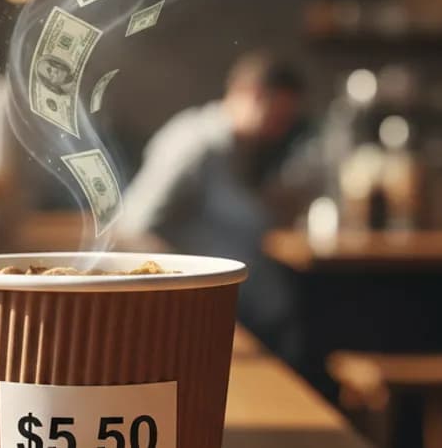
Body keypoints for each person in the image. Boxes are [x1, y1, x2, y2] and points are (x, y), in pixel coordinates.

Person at [118, 52, 316, 360]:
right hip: (207, 319)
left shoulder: (241, 149)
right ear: (249, 95)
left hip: (247, 312)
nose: (280, 130)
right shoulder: (194, 143)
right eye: (278, 119)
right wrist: (189, 292)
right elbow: (134, 228)